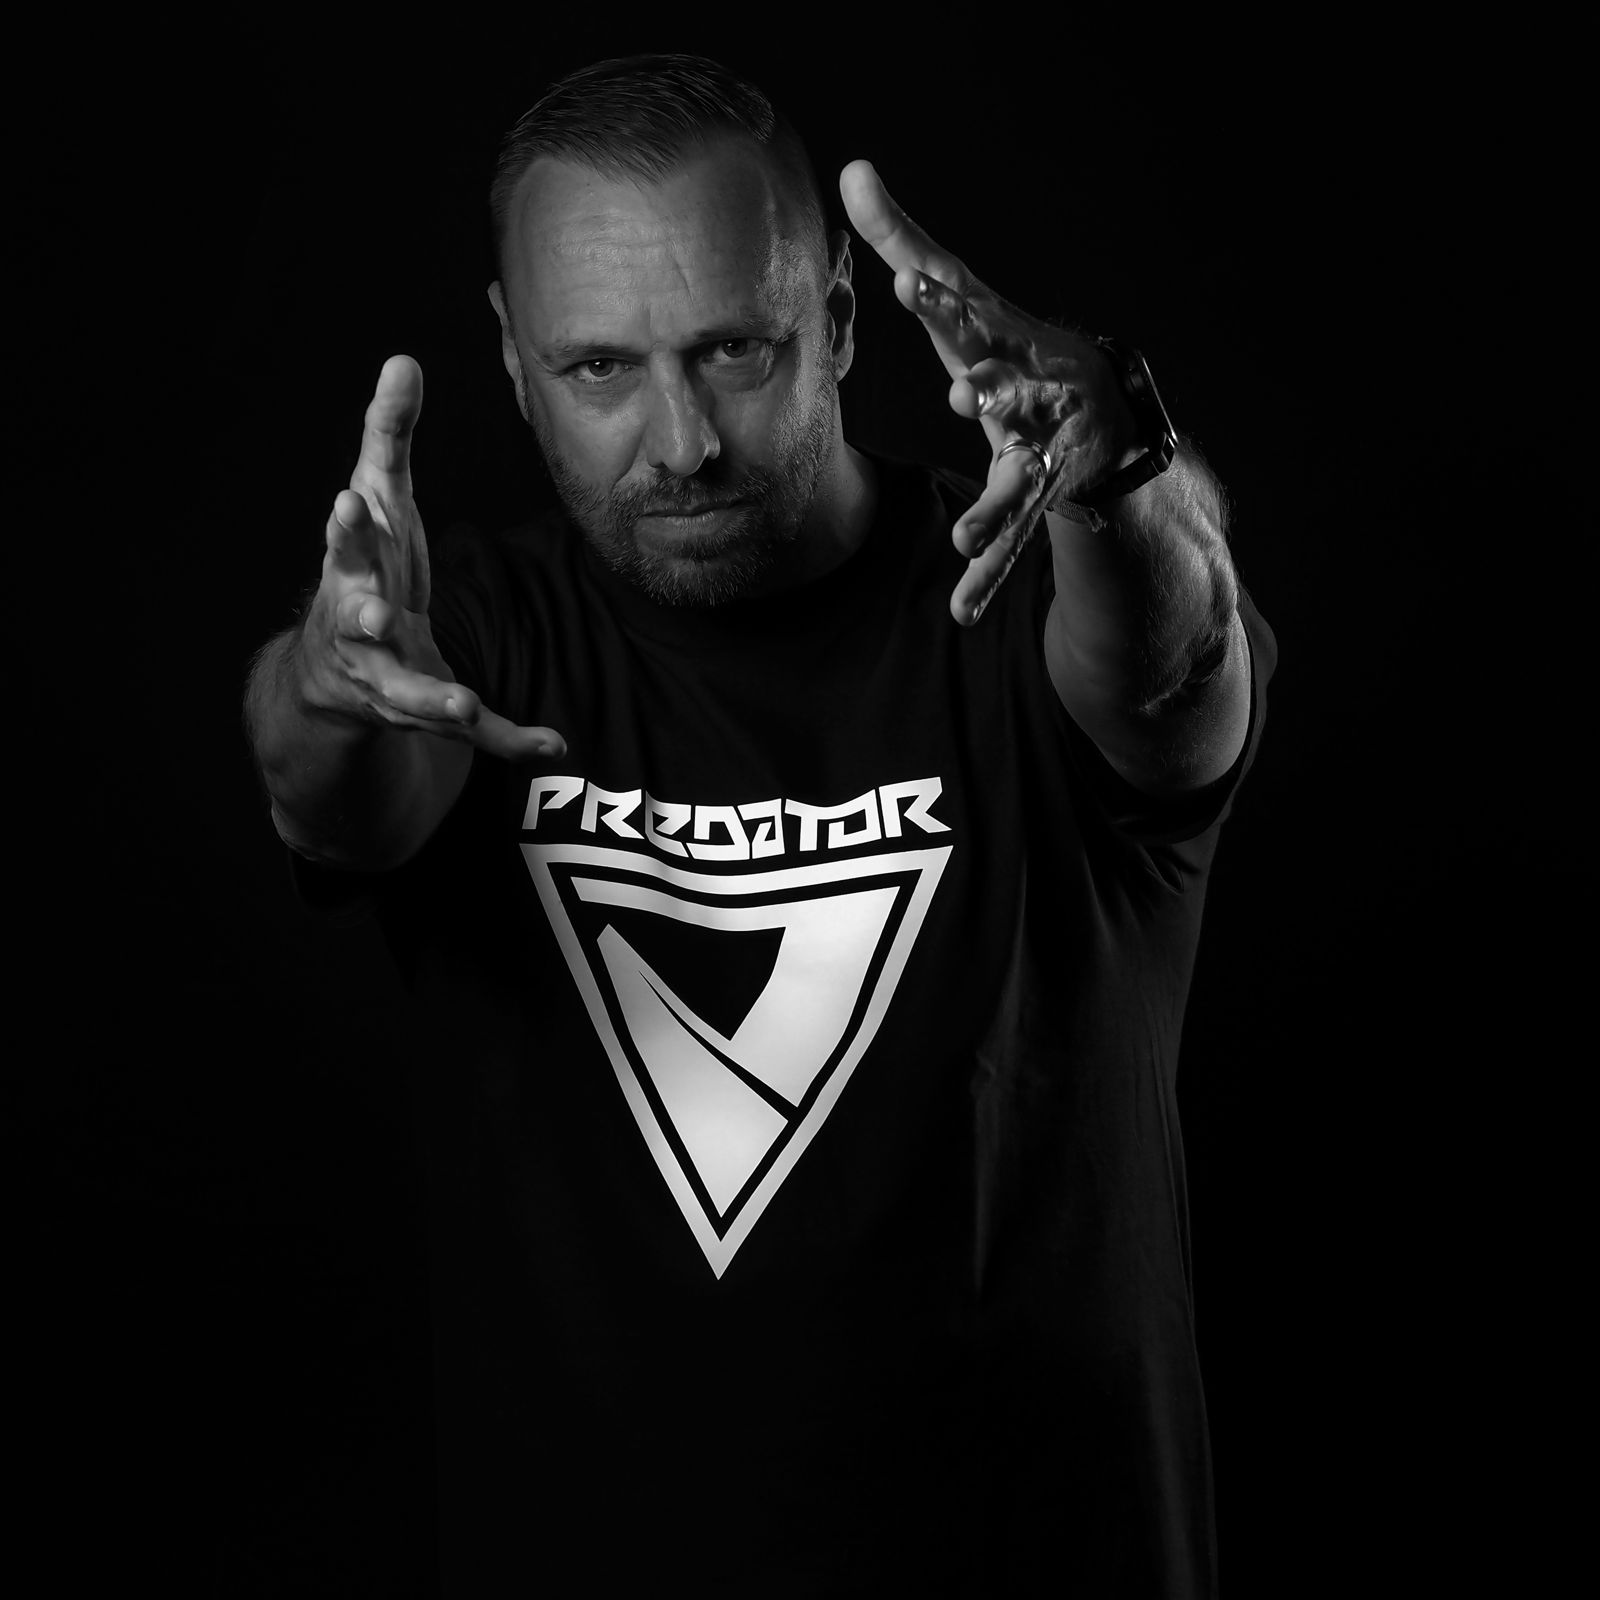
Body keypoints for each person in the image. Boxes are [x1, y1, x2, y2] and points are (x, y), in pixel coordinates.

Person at [245, 52, 1275, 1598]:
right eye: (600, 369)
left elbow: (1176, 674)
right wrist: (329, 687)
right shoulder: (476, 644)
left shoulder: (1017, 587)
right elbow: (328, 796)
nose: (682, 443)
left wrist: (1120, 476)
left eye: (733, 348)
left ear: (840, 321)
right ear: (515, 361)